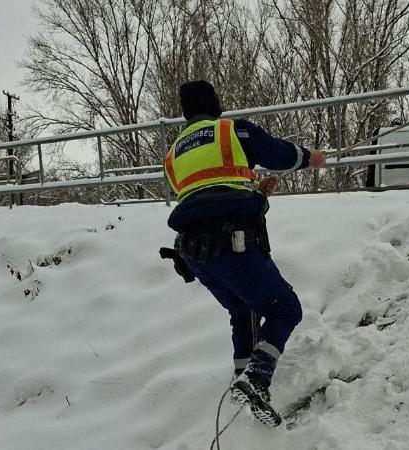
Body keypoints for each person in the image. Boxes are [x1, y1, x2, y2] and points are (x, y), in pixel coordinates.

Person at [162, 80, 325, 426]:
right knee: (285, 308)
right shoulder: (231, 131)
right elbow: (277, 154)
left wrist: (257, 192)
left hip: (195, 254)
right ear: (215, 103)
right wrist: (310, 158)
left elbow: (208, 195)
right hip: (232, 244)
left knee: (242, 309)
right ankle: (257, 378)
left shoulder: (173, 154)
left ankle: (242, 386)